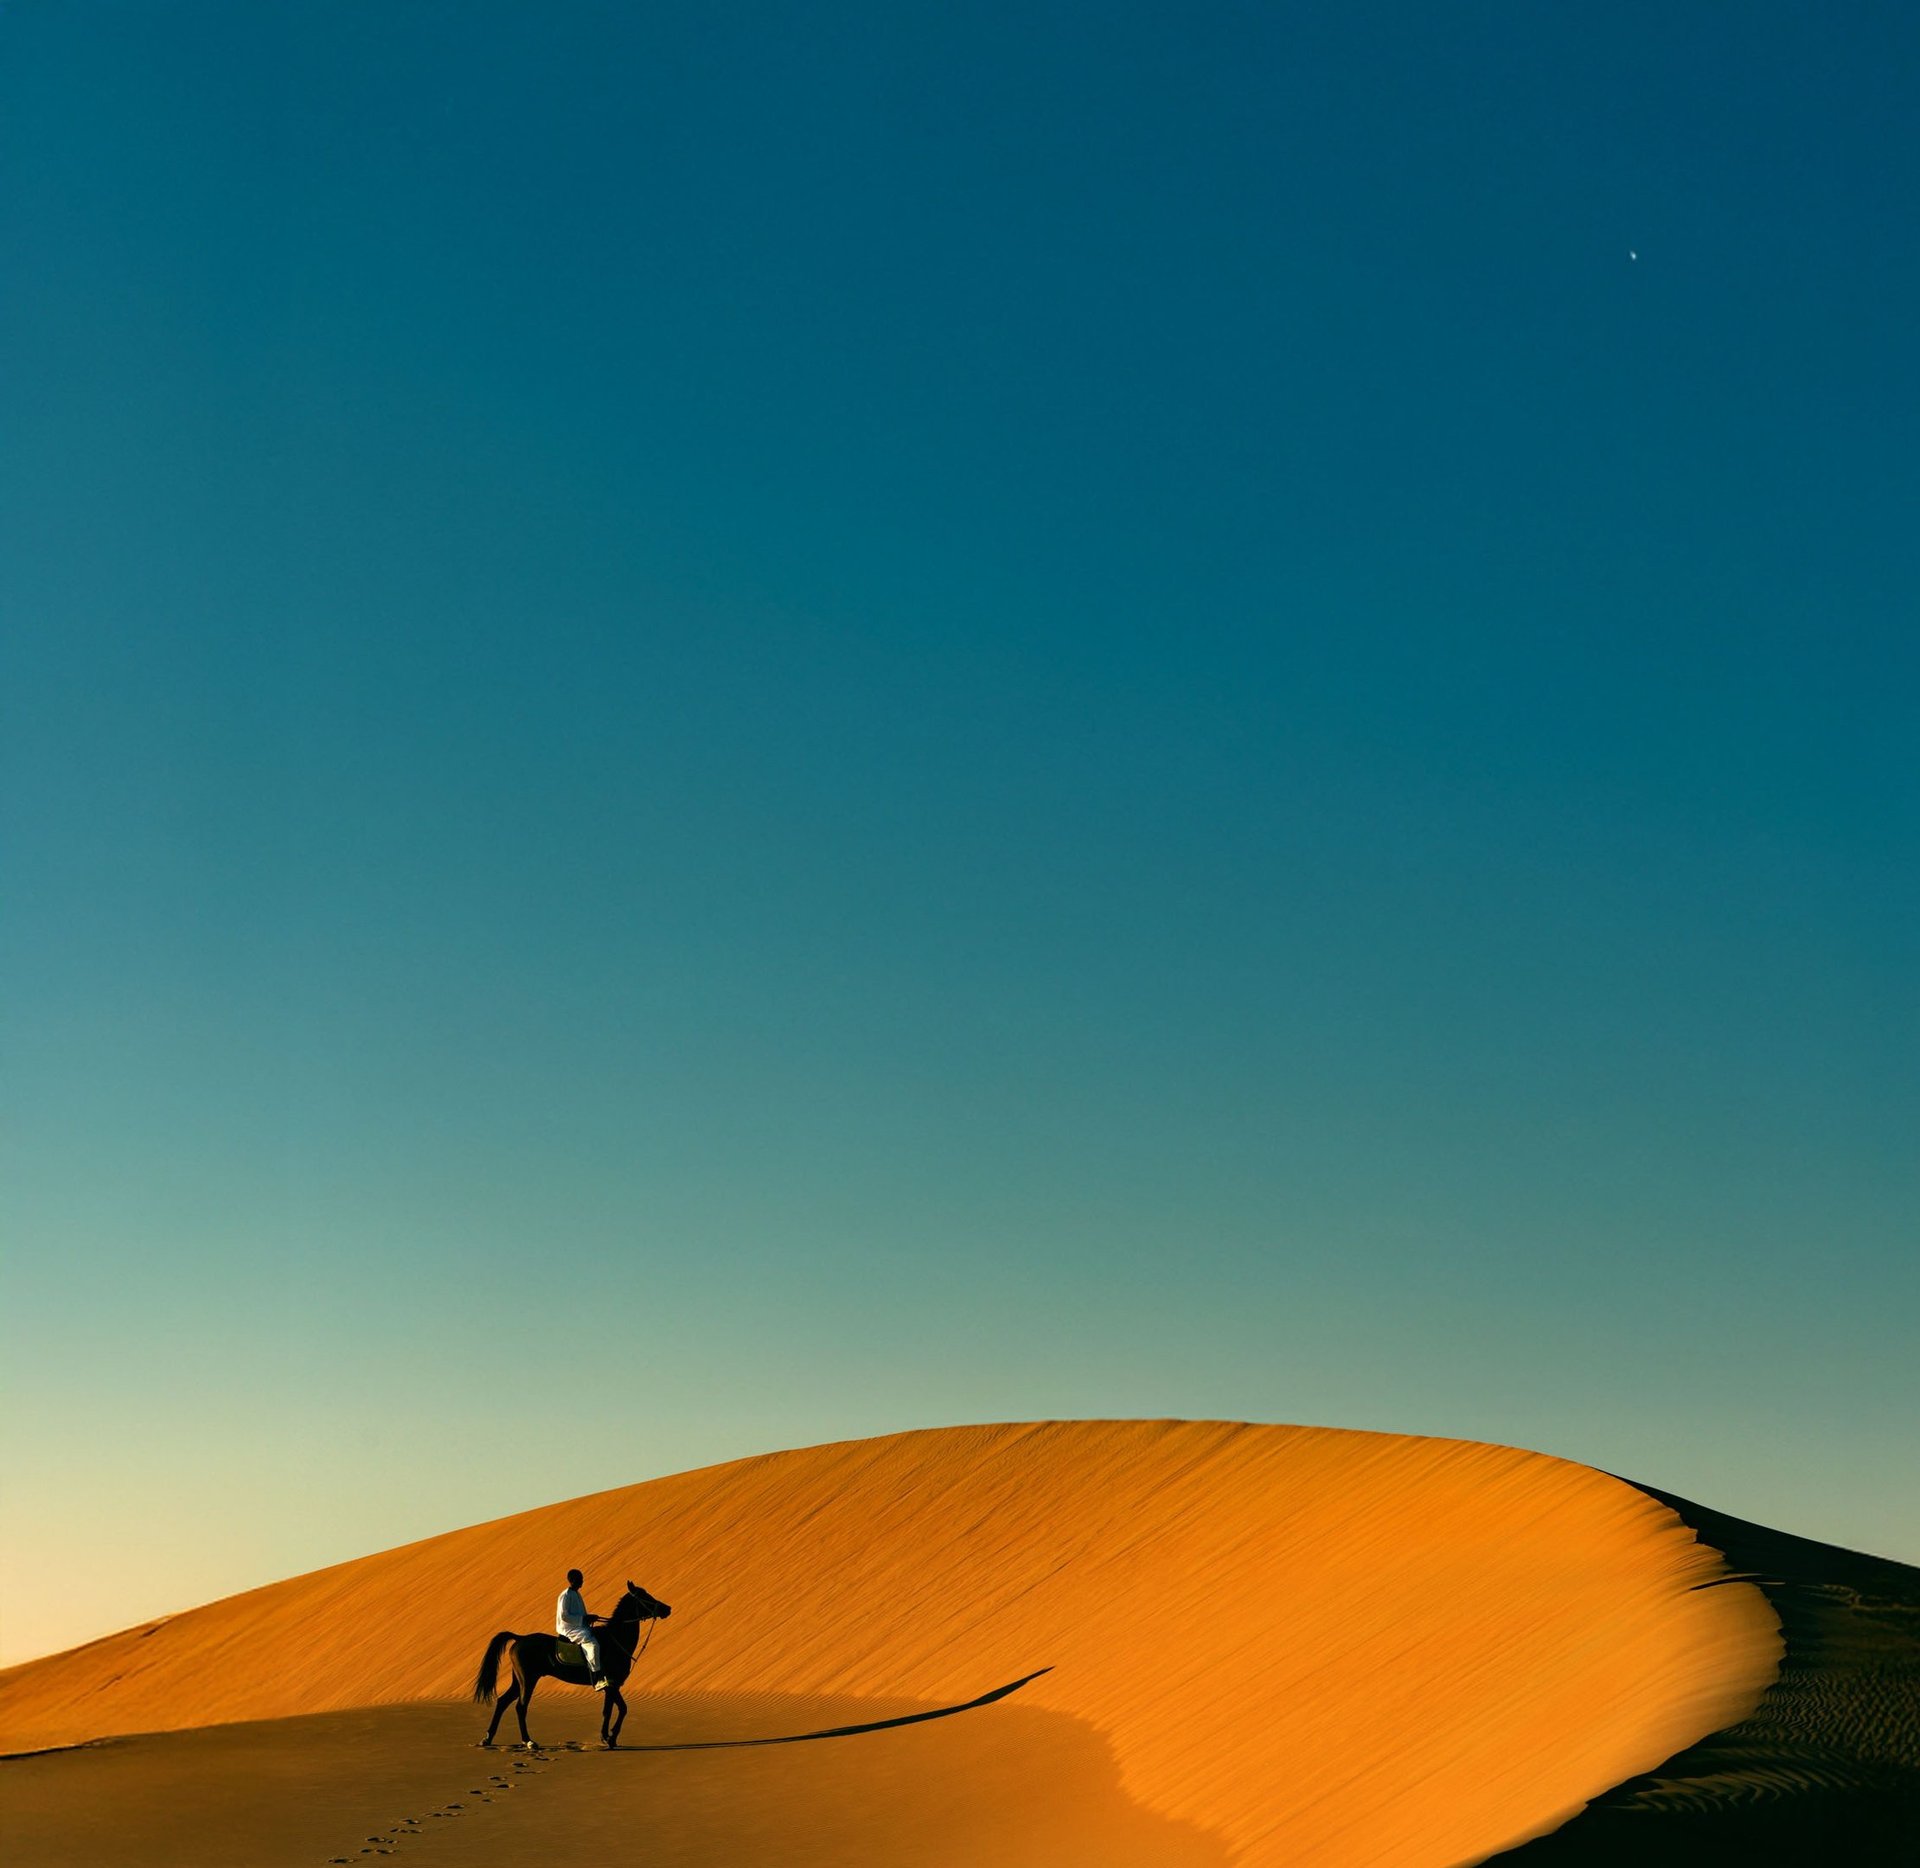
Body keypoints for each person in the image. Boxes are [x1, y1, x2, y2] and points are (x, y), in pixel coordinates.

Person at [556, 1568, 608, 1690]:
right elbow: (564, 1616)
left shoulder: (576, 1594)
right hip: (569, 1628)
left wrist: (589, 1617)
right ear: (573, 1580)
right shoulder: (566, 1595)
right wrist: (583, 1619)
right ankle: (597, 1677)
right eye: (580, 1579)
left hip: (579, 1626)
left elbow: (579, 1613)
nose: (582, 1581)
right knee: (592, 1643)